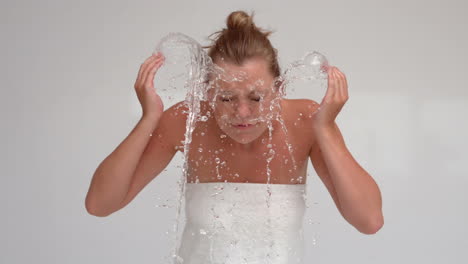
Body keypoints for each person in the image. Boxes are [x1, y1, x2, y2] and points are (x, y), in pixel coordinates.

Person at [85, 10, 384, 264]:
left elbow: (369, 220)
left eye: (256, 98)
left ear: (279, 90)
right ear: (207, 92)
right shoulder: (186, 120)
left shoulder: (306, 122)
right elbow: (100, 204)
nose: (242, 113)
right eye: (226, 98)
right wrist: (148, 119)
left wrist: (326, 129)